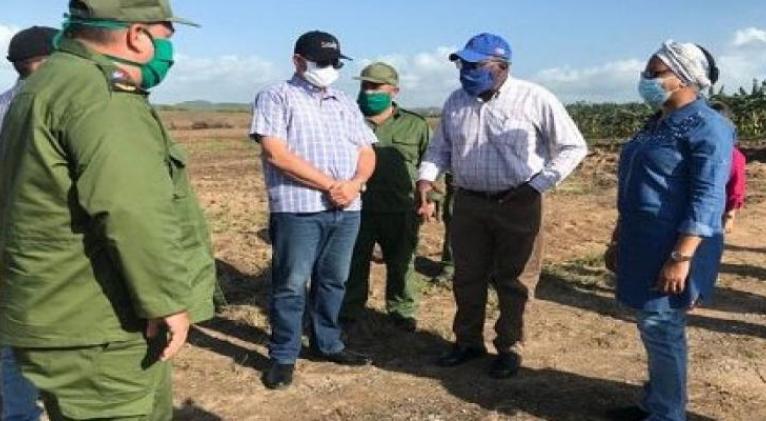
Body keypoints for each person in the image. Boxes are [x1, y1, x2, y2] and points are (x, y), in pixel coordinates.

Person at [0, 1, 216, 419]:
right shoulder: (101, 94)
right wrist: (167, 301)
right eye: (167, 39)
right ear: (138, 35)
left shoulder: (46, 85)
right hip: (96, 324)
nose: (168, 52)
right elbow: (131, 210)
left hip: (60, 313)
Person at [416, 33, 587, 379]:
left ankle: (510, 347)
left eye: (475, 65)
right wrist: (426, 177)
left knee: (516, 279)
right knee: (467, 276)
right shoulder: (455, 102)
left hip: (518, 203)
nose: (465, 71)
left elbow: (573, 147)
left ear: (501, 67)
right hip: (468, 203)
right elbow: (439, 150)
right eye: (462, 64)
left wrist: (536, 186)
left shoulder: (534, 98)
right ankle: (467, 342)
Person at [606, 41, 733, 421]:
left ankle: (666, 414)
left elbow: (708, 195)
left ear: (684, 77)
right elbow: (634, 185)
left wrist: (681, 258)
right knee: (651, 326)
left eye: (655, 72)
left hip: (674, 246)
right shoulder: (656, 123)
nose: (646, 79)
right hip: (640, 240)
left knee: (663, 328)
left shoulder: (710, 127)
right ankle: (655, 401)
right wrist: (617, 237)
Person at [250, 30, 377, 390]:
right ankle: (284, 355)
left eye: (335, 63)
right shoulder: (276, 97)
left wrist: (352, 185)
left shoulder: (344, 101)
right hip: (298, 208)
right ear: (298, 61)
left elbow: (367, 151)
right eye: (322, 63)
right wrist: (330, 186)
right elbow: (276, 154)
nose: (329, 69)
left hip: (348, 207)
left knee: (334, 279)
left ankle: (327, 343)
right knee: (291, 284)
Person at [341, 62, 432, 333]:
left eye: (376, 87)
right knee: (353, 261)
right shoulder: (348, 118)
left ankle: (401, 310)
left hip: (401, 207)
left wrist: (430, 200)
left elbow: (430, 163)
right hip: (358, 207)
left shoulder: (415, 125)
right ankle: (349, 308)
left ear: (394, 91)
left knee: (401, 262)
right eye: (364, 86)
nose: (369, 92)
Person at [0, 24, 57, 421]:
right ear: (46, 63)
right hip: (52, 248)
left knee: (12, 338)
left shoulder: (3, 106)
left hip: (12, 248)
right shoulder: (63, 106)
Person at [710, 101, 747, 233]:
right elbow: (737, 187)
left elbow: (736, 188)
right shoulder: (735, 155)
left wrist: (730, 216)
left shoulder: (733, 156)